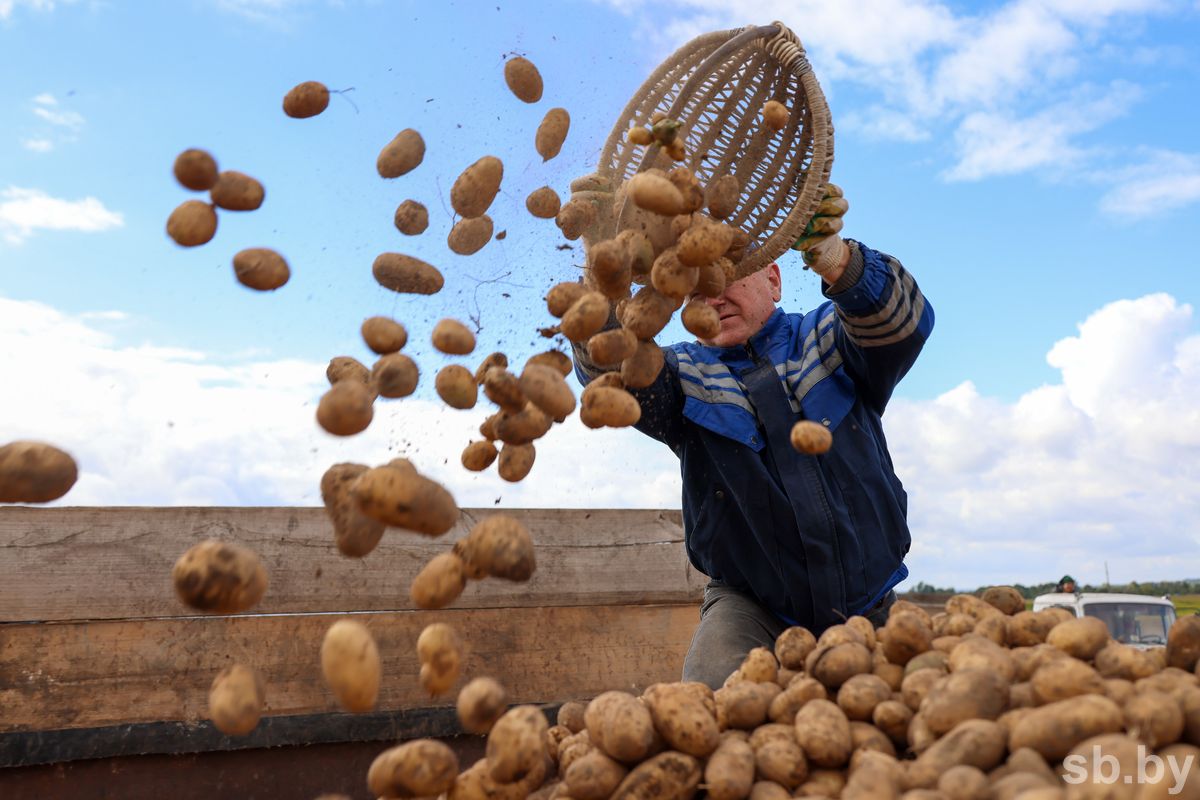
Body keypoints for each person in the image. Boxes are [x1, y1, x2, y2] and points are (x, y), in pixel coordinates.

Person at [572, 186, 935, 688]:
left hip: (867, 602)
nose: (713, 297)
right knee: (713, 704)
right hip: (748, 609)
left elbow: (902, 324)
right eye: (695, 289)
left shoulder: (830, 338)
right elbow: (611, 379)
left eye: (729, 277)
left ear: (775, 278)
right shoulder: (680, 375)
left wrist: (838, 260)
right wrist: (602, 278)